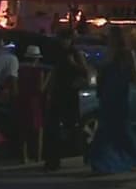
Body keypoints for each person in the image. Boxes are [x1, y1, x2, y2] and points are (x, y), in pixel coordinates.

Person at [86, 26, 136, 175]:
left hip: (119, 96)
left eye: (112, 36)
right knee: (104, 130)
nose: (109, 39)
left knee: (122, 129)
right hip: (107, 95)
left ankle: (135, 159)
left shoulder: (126, 53)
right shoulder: (108, 53)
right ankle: (101, 163)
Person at [43, 30, 88, 172]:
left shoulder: (75, 53)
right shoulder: (57, 53)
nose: (63, 42)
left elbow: (85, 72)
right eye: (61, 39)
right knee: (53, 127)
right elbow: (53, 72)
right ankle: (52, 161)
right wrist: (49, 91)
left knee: (73, 126)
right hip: (58, 92)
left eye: (66, 39)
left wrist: (73, 64)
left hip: (70, 93)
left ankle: (86, 153)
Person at [15, 46, 48, 164]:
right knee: (38, 130)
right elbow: (40, 89)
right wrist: (48, 79)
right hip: (34, 102)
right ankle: (38, 157)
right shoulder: (39, 71)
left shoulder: (20, 70)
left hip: (22, 100)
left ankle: (24, 157)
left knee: (23, 130)